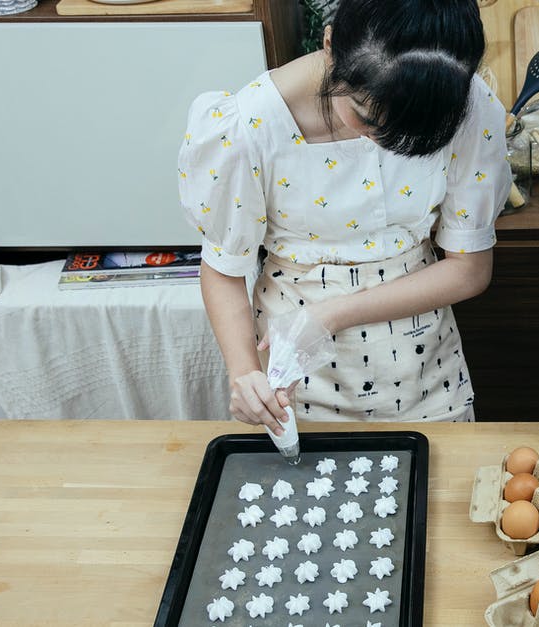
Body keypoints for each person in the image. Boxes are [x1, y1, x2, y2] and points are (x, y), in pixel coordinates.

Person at [177, 0, 510, 431]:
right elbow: (223, 268)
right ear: (330, 44)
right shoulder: (248, 127)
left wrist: (328, 315)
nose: (389, 144)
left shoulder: (463, 104)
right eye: (369, 118)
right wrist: (244, 372)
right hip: (292, 372)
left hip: (423, 371)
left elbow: (469, 270)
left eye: (415, 133)